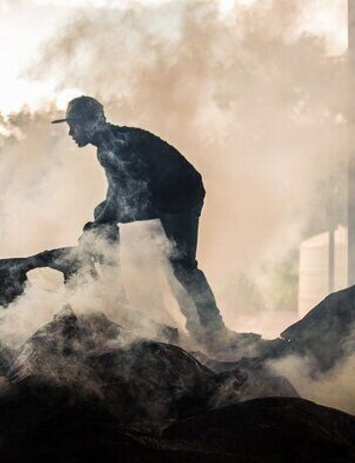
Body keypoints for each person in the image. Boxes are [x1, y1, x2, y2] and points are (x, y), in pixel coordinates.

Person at [52, 96, 255, 353]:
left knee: (182, 264)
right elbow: (116, 192)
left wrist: (99, 224)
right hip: (157, 197)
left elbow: (130, 194)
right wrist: (99, 222)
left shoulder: (116, 146)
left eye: (75, 124)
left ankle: (215, 330)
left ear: (94, 121)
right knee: (103, 222)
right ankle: (116, 297)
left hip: (181, 197)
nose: (71, 132)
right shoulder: (109, 146)